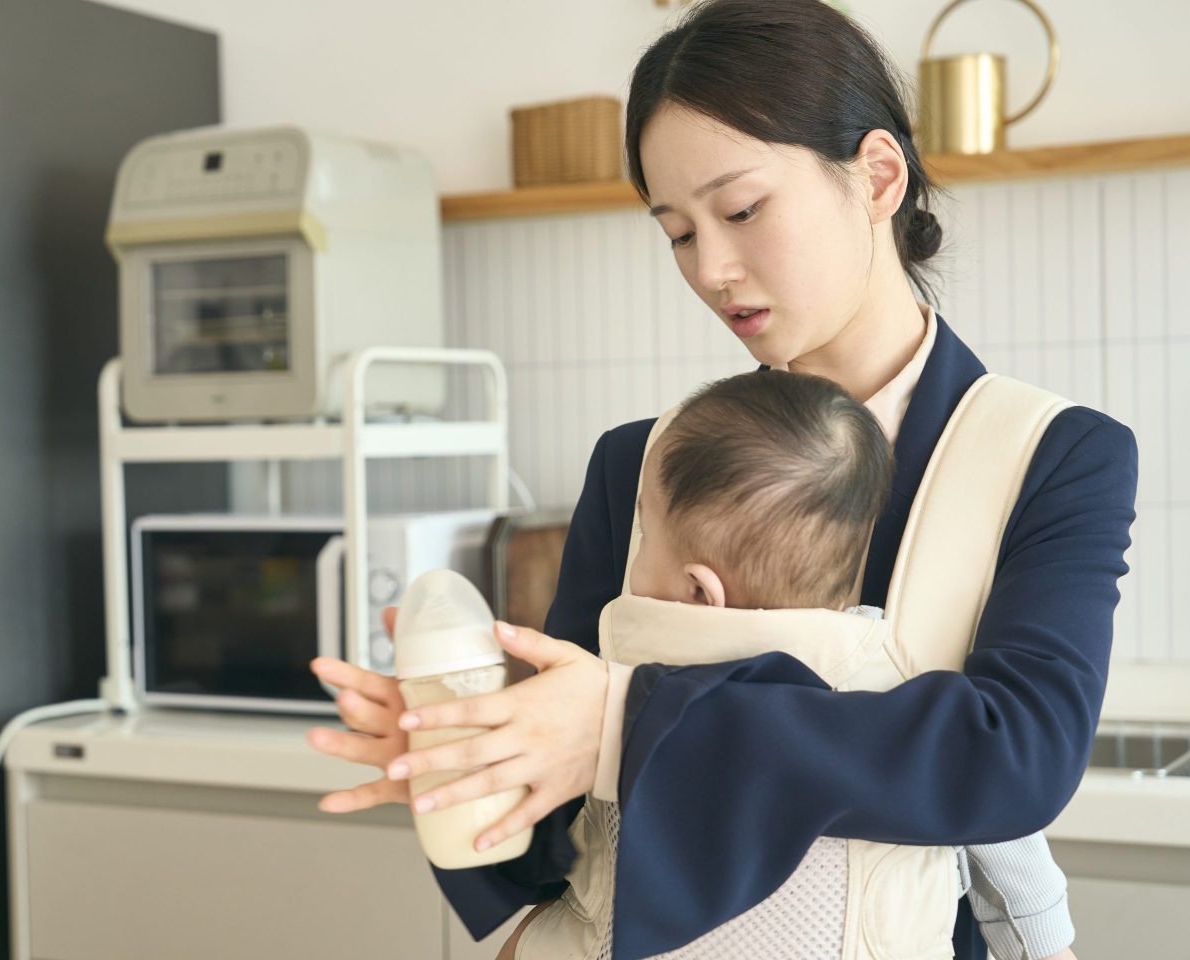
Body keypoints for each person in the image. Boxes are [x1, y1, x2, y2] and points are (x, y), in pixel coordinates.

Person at [306, 1, 1137, 957]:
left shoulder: (1054, 454)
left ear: (876, 175)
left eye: (741, 211)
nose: (713, 268)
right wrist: (472, 753)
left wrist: (622, 723)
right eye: (677, 233)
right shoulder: (640, 463)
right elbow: (556, 855)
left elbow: (1013, 759)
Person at [496, 369, 1076, 960]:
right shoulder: (906, 696)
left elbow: (576, 885)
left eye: (644, 536)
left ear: (701, 591)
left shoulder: (606, 700)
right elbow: (1010, 856)